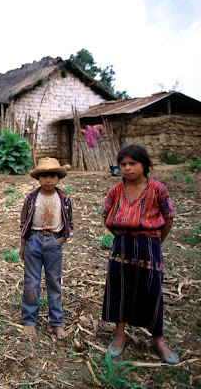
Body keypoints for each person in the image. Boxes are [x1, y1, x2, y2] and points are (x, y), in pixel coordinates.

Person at [101, 145, 178, 364]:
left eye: (132, 163)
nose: (126, 168)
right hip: (122, 245)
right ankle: (119, 334)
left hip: (149, 245)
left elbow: (168, 217)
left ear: (144, 164)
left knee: (152, 290)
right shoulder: (115, 191)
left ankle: (158, 339)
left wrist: (154, 241)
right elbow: (107, 216)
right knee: (120, 288)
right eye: (123, 164)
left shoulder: (157, 189)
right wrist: (122, 236)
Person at [19, 157, 73, 339]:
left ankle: (57, 321)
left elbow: (69, 222)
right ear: (38, 179)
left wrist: (62, 240)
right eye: (43, 177)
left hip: (54, 242)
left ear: (58, 178)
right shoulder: (32, 198)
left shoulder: (64, 198)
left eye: (52, 176)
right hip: (34, 240)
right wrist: (23, 245)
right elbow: (24, 222)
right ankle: (29, 320)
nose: (48, 180)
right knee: (31, 283)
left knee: (54, 283)